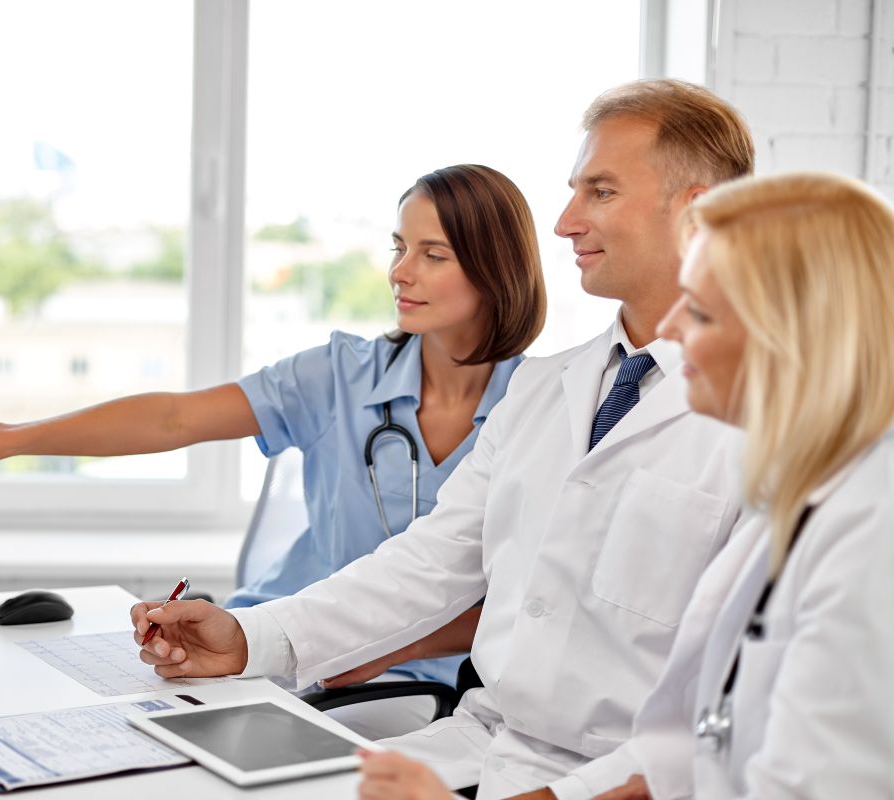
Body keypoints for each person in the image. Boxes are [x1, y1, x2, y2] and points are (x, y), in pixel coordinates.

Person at [130, 79, 755, 799]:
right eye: (573, 190)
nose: (564, 222)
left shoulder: (774, 419)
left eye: (601, 192)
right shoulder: (546, 387)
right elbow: (427, 566)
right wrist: (248, 638)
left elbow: (736, 710)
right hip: (479, 745)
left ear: (698, 207)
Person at [0, 164, 548, 695]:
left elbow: (527, 600)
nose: (399, 271)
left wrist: (380, 648)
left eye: (434, 254)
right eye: (400, 246)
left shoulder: (544, 410)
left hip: (399, 690)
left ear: (495, 269)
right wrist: (0, 441)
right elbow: (173, 416)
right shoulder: (343, 374)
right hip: (258, 646)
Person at [588, 173, 894, 800]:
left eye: (697, 309)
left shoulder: (874, 531)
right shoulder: (805, 491)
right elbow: (698, 752)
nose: (669, 328)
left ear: (795, 333)